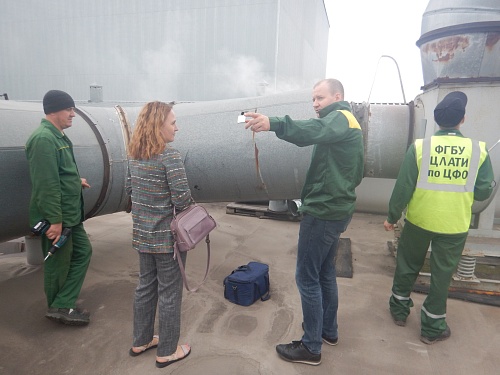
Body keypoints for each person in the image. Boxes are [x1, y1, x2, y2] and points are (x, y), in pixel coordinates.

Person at [244, 78, 364, 366]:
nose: (315, 103)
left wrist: (274, 123)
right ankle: (327, 331)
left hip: (323, 213)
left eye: (320, 97)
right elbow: (356, 173)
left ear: (338, 95)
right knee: (324, 274)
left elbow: (312, 130)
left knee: (306, 278)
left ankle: (311, 347)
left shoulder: (339, 120)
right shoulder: (348, 124)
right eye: (313, 99)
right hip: (336, 209)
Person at [384, 91, 494, 344]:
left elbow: (403, 187)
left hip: (419, 222)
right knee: (441, 276)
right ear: (462, 120)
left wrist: (392, 217)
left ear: (436, 120)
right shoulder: (479, 150)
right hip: (454, 225)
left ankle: (399, 312)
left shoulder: (420, 147)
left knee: (408, 266)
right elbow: (483, 191)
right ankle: (432, 328)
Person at [126, 101, 193, 368]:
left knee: (145, 288)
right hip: (168, 241)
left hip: (143, 237)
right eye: (173, 123)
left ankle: (141, 340)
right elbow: (183, 198)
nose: (177, 127)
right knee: (169, 293)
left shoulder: (134, 155)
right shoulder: (169, 156)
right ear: (158, 126)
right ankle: (167, 350)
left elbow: (131, 192)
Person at [25, 89, 93, 326]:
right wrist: (54, 221)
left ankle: (63, 302)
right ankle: (59, 307)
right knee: (57, 263)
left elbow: (59, 175)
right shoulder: (43, 139)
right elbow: (46, 184)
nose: (73, 114)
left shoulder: (58, 136)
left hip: (70, 216)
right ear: (54, 109)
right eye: (69, 109)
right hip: (59, 218)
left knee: (83, 253)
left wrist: (76, 181)